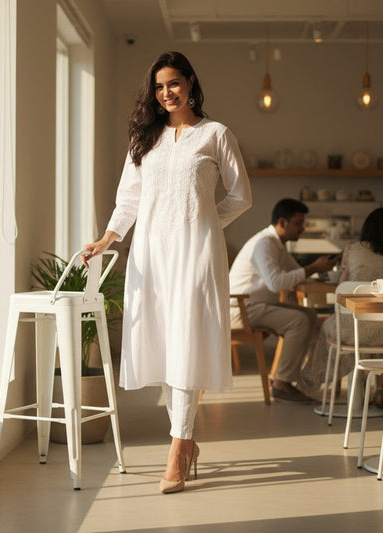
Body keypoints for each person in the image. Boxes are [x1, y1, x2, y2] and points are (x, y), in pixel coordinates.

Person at [82, 51, 252, 494]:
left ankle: (178, 448)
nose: (167, 93)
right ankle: (185, 437)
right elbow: (128, 199)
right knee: (163, 343)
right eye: (159, 87)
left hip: (197, 253)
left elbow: (241, 196)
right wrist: (107, 239)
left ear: (191, 82)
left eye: (174, 83)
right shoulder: (146, 140)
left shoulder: (216, 134)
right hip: (151, 254)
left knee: (188, 340)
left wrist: (207, 222)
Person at [297, 207, 383, 406]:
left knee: (332, 328)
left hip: (354, 330)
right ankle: (381, 391)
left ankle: (329, 386)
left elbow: (343, 286)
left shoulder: (352, 248)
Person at [229, 198, 338, 402]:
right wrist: (312, 268)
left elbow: (295, 272)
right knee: (299, 320)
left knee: (310, 315)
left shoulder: (277, 244)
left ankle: (302, 377)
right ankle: (282, 382)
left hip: (255, 305)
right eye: (298, 223)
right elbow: (276, 283)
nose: (302, 229)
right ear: (282, 222)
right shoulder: (264, 244)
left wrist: (316, 269)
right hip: (240, 308)